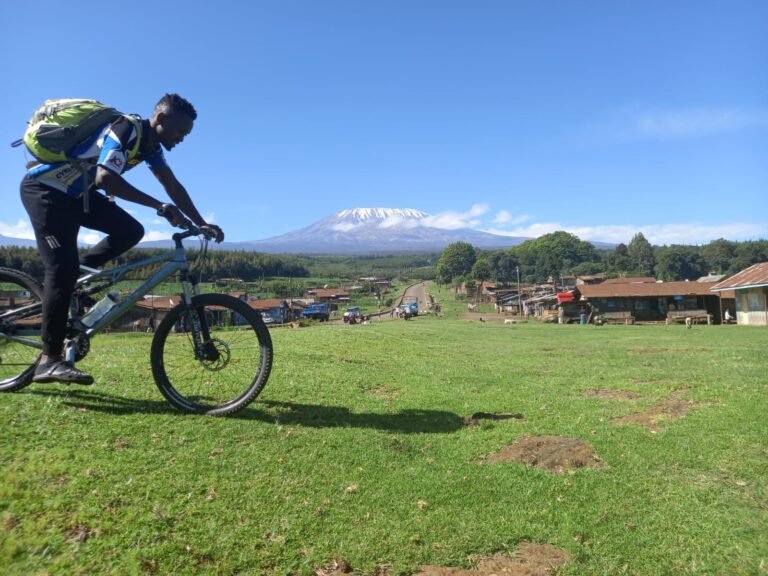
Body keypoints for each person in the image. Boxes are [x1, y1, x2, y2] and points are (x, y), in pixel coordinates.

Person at [20, 93, 223, 385]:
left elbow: (173, 186)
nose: (182, 138)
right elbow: (106, 178)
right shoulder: (125, 129)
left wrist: (202, 223)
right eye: (181, 131)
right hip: (46, 192)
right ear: (161, 119)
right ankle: (49, 360)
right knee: (60, 270)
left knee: (130, 231)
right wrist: (159, 207)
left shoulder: (150, 147)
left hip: (77, 195)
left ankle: (74, 285)